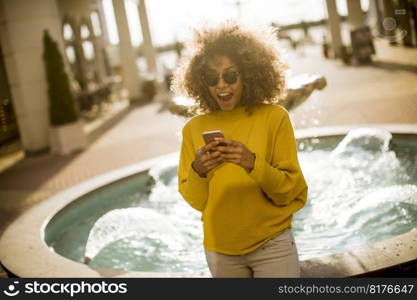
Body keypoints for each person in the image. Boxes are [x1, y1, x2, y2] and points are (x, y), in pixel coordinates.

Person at [172, 22, 308, 278]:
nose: (221, 85)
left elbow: (289, 191)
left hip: (273, 246)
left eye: (230, 76)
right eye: (212, 78)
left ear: (248, 74)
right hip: (220, 252)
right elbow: (197, 201)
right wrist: (198, 170)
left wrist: (251, 163)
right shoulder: (193, 129)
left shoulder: (275, 118)